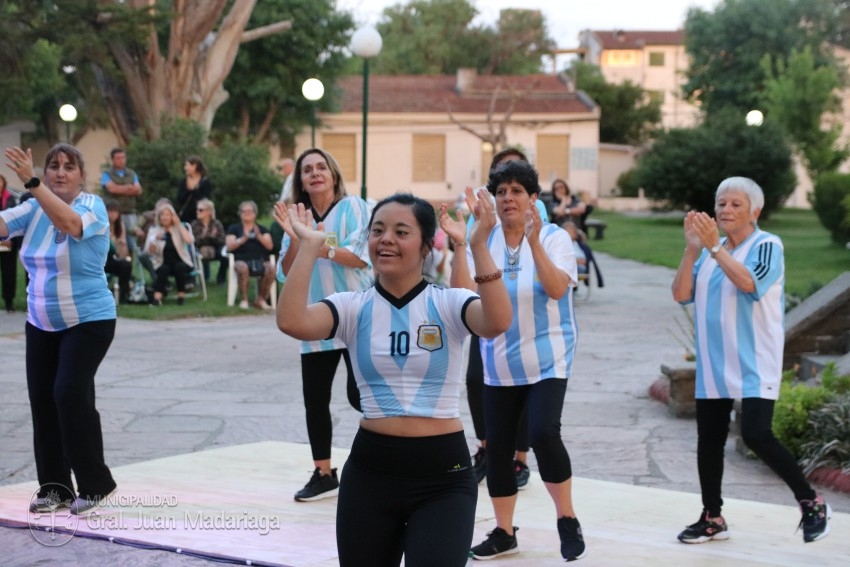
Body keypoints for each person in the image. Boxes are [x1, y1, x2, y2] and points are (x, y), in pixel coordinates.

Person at [277, 192, 512, 567]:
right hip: (370, 475)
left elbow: (497, 321)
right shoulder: (352, 306)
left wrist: (477, 244)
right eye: (378, 230)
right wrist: (308, 246)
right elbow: (292, 321)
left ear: (424, 247)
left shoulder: (448, 304)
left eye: (401, 231)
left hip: (443, 479)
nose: (385, 239)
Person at [671, 176, 831, 545]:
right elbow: (681, 294)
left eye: (735, 204)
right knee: (708, 439)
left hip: (754, 360)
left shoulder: (767, 245)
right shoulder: (711, 252)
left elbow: (748, 283)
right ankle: (712, 517)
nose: (725, 210)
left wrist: (713, 250)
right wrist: (692, 250)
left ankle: (811, 501)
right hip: (714, 363)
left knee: (757, 434)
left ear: (754, 211)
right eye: (721, 203)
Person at [443, 160, 586, 561]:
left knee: (542, 433)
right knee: (498, 448)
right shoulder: (482, 241)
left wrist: (534, 242)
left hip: (548, 357)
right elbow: (462, 298)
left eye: (516, 191)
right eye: (501, 191)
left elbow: (558, 289)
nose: (508, 198)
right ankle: (504, 532)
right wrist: (462, 243)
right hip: (498, 361)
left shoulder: (555, 237)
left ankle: (567, 518)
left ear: (532, 199)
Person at [1, 143, 117, 516]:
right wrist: (33, 190)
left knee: (68, 393)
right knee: (43, 401)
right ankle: (56, 488)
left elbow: (68, 224)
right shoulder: (33, 206)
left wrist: (33, 182)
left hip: (89, 321)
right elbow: (4, 223)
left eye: (69, 166)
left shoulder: (91, 207)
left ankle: (96, 484)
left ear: (82, 176)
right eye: (54, 166)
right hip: (41, 322)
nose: (61, 172)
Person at [272, 148, 372, 501]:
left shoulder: (356, 207)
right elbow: (285, 271)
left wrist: (318, 246)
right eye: (307, 169)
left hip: (353, 315)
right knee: (315, 400)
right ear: (300, 180)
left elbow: (360, 257)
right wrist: (299, 238)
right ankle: (324, 472)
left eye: (321, 167)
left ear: (333, 174)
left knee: (361, 396)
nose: (315, 173)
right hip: (312, 318)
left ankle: (377, 460)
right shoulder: (297, 214)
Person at [466, 147, 540, 488]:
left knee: (522, 386)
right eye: (500, 182)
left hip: (525, 318)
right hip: (486, 313)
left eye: (515, 183)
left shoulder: (537, 222)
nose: (507, 195)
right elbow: (466, 267)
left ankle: (519, 457)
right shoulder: (480, 218)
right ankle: (487, 446)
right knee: (475, 378)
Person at [225, 200, 274, 310]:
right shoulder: (234, 228)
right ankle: (244, 300)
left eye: (250, 211)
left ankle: (261, 300)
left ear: (255, 213)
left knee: (271, 268)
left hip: (260, 260)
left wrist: (259, 236)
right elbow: (229, 246)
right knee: (242, 267)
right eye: (244, 211)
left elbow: (270, 246)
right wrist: (243, 239)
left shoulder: (262, 229)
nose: (247, 213)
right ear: (240, 214)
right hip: (240, 260)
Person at [144, 202, 195, 306]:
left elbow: (189, 240)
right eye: (162, 215)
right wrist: (154, 240)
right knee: (163, 269)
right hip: (162, 262)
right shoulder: (154, 230)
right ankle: (157, 298)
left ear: (172, 216)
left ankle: (181, 296)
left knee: (179, 267)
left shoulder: (178, 228)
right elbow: (149, 252)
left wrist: (179, 224)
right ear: (159, 217)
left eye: (167, 215)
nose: (165, 218)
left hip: (181, 260)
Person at [101, 147, 143, 256]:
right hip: (113, 214)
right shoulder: (107, 174)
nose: (121, 160)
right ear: (113, 160)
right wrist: (129, 188)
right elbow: (111, 189)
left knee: (131, 241)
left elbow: (138, 190)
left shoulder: (131, 173)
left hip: (130, 212)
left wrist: (120, 188)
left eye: (123, 157)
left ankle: (130, 265)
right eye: (118, 158)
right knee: (114, 240)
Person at [192, 198, 227, 284]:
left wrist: (212, 237)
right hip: (199, 248)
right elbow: (193, 242)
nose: (198, 211)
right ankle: (193, 280)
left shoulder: (217, 223)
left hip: (215, 247)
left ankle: (221, 278)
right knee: (191, 253)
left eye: (201, 210)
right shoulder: (194, 224)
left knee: (224, 255)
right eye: (197, 209)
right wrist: (203, 236)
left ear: (209, 212)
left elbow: (222, 240)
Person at [104, 199, 132, 304]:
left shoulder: (120, 226)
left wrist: (121, 245)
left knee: (126, 265)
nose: (113, 215)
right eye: (111, 211)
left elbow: (122, 254)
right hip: (101, 258)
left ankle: (123, 295)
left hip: (112, 257)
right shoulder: (101, 224)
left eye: (116, 212)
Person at [0, 174, 21, 312]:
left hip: (6, 243)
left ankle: (9, 302)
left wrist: (9, 238)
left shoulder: (10, 199)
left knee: (8, 272)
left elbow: (14, 220)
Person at [176, 155, 213, 224]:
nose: (185, 168)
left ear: (194, 166)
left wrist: (194, 189)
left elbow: (205, 200)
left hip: (200, 218)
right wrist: (188, 190)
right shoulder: (183, 182)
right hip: (185, 217)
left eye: (187, 165)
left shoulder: (205, 182)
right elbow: (179, 200)